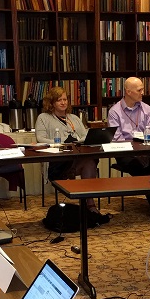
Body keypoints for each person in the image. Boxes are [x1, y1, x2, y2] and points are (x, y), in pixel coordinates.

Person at [35, 86, 110, 226]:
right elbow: (41, 139)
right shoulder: (43, 118)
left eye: (65, 99)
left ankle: (89, 205)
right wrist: (62, 143)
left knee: (89, 161)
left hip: (77, 158)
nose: (63, 103)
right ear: (51, 103)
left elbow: (84, 136)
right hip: (57, 162)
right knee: (87, 161)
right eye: (59, 100)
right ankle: (88, 204)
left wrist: (79, 141)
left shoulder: (74, 118)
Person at [108, 77, 150, 219]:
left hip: (145, 150)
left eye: (142, 89)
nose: (143, 92)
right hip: (124, 152)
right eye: (139, 90)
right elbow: (117, 139)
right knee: (143, 168)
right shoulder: (115, 111)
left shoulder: (147, 109)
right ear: (128, 92)